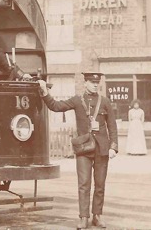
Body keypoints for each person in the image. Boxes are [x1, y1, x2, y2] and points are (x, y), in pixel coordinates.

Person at [37, 72, 118, 229]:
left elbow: (112, 126)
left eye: (97, 82)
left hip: (102, 150)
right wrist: (45, 93)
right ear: (85, 83)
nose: (95, 85)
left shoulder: (105, 102)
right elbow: (56, 106)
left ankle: (97, 216)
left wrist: (113, 147)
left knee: (100, 184)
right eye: (92, 82)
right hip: (84, 150)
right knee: (84, 184)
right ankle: (83, 217)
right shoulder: (77, 100)